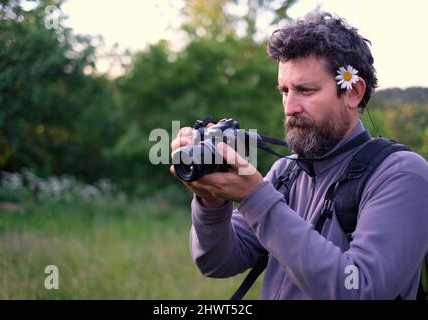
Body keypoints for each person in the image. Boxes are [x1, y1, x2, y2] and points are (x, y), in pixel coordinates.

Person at [170, 12, 428, 299]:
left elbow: (361, 289)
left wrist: (255, 197)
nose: (289, 107)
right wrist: (211, 201)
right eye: (284, 91)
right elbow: (216, 262)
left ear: (353, 91)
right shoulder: (286, 172)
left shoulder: (402, 174)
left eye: (305, 90)